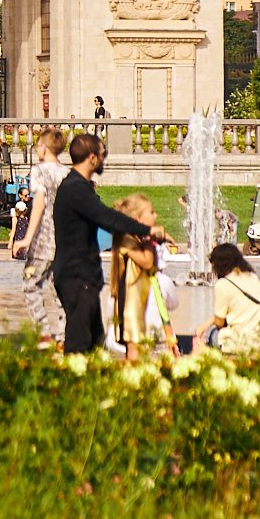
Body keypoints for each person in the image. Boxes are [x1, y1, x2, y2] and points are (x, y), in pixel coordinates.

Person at [52, 132, 172, 355]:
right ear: (92, 158)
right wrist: (148, 230)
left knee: (94, 340)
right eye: (102, 154)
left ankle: (86, 385)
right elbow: (107, 218)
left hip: (82, 275)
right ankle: (70, 386)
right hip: (75, 275)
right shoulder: (75, 189)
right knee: (79, 344)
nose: (104, 159)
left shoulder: (79, 187)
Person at [9, 128, 70, 343]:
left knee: (30, 285)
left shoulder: (39, 171)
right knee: (58, 287)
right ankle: (64, 335)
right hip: (64, 240)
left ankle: (43, 332)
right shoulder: (66, 172)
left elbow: (40, 203)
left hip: (44, 239)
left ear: (43, 148)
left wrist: (26, 238)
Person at [107, 193, 169, 358]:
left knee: (137, 344)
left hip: (137, 302)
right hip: (128, 303)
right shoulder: (126, 240)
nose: (156, 215)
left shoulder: (134, 238)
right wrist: (150, 239)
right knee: (133, 345)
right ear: (137, 218)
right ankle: (132, 379)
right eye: (151, 212)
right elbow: (147, 262)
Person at [204, 244, 260, 356]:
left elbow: (219, 322)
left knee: (210, 334)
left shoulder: (222, 285)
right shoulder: (252, 277)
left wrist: (204, 327)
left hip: (241, 343)